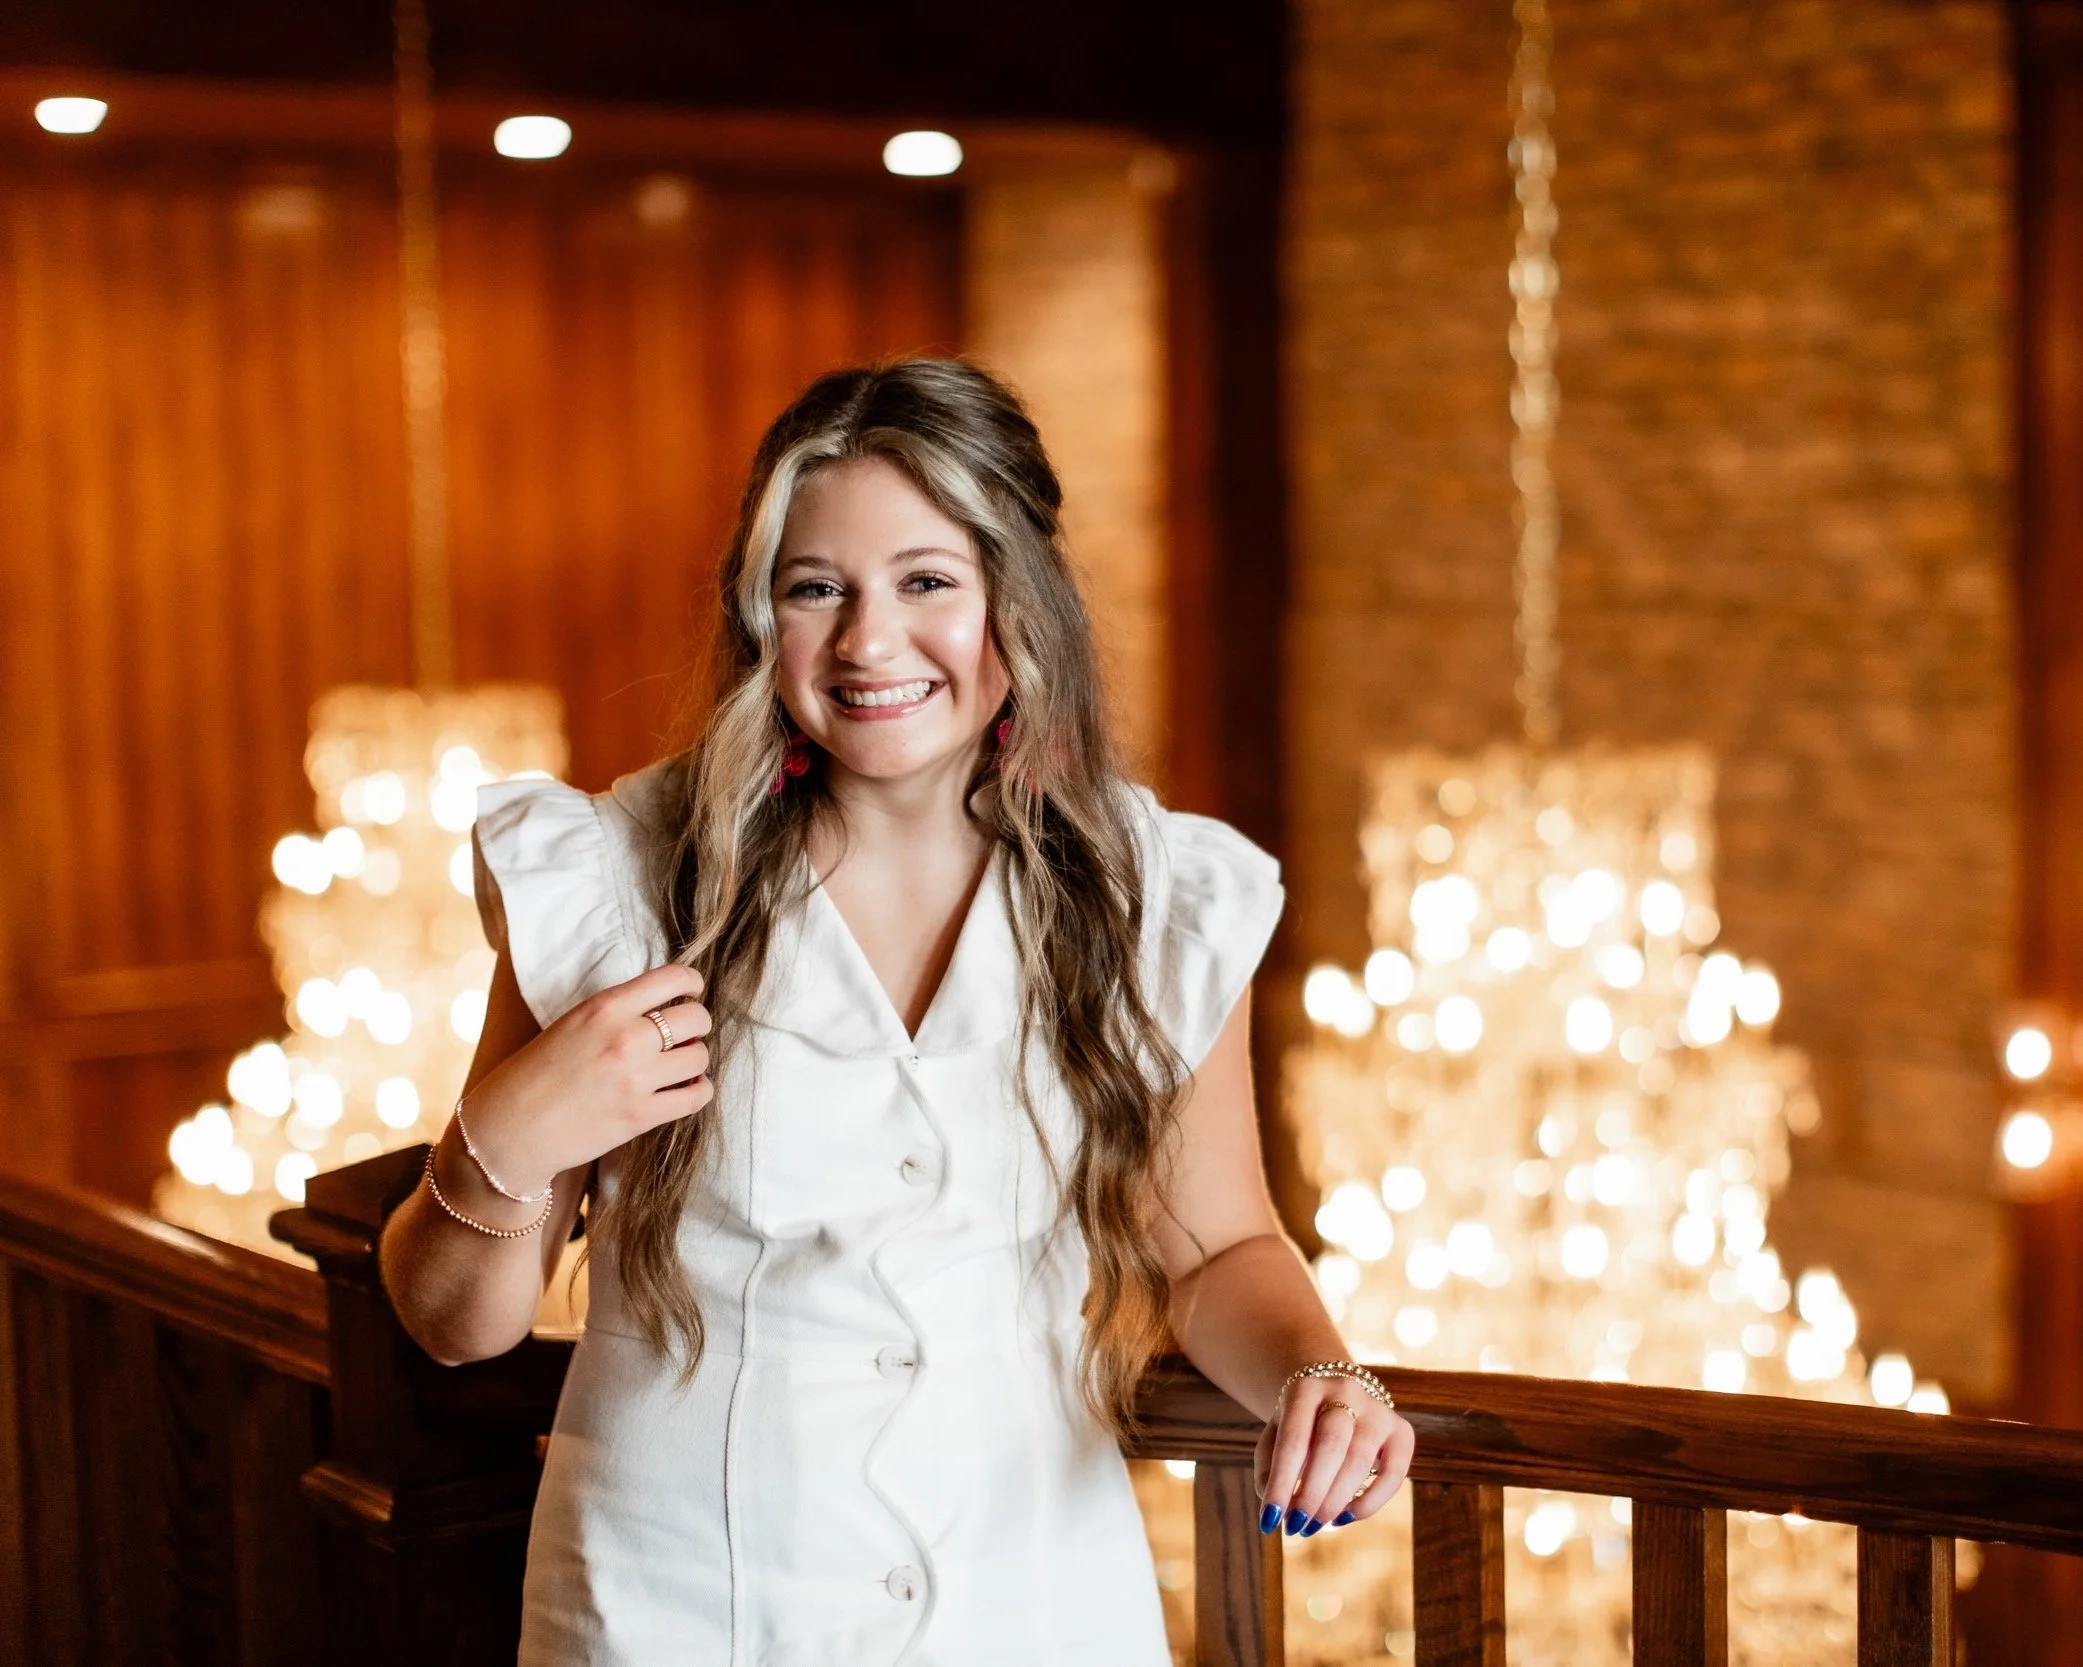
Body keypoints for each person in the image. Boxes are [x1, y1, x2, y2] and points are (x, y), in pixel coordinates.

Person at [379, 358, 1415, 1665]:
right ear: (763, 616)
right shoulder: (615, 871)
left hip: (1031, 1604)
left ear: (1017, 597)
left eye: (926, 580)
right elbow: (452, 1320)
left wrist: (1326, 1377)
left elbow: (1213, 1250)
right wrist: (504, 1135)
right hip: (675, 1610)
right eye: (818, 588)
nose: (870, 643)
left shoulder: (1153, 896)